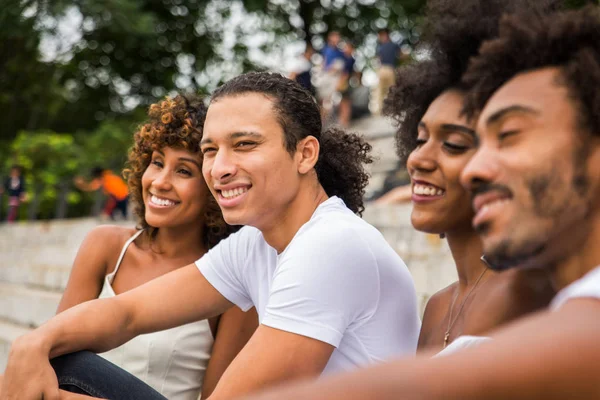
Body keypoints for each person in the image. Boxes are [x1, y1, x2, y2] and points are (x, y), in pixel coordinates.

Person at [237, 6, 600, 399]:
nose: (476, 168)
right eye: (421, 138)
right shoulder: (476, 300)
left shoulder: (548, 303)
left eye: (508, 135)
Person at [1, 72, 420, 400]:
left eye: (244, 145)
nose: (219, 168)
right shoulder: (254, 244)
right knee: (57, 354)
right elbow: (127, 313)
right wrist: (33, 343)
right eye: (210, 150)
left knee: (63, 371)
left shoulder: (330, 245)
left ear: (305, 154)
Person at [52, 94, 258, 399]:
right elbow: (55, 357)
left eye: (184, 171)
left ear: (214, 185)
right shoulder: (106, 246)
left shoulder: (233, 280)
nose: (160, 181)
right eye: (157, 162)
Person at [382, 0, 557, 353]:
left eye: (454, 144)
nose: (418, 159)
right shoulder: (435, 308)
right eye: (419, 139)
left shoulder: (534, 293)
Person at [375, 28, 399, 114]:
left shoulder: (384, 46)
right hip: (384, 69)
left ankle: (392, 108)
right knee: (383, 90)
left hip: (389, 68)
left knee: (391, 90)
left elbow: (378, 58)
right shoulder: (383, 46)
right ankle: (382, 109)